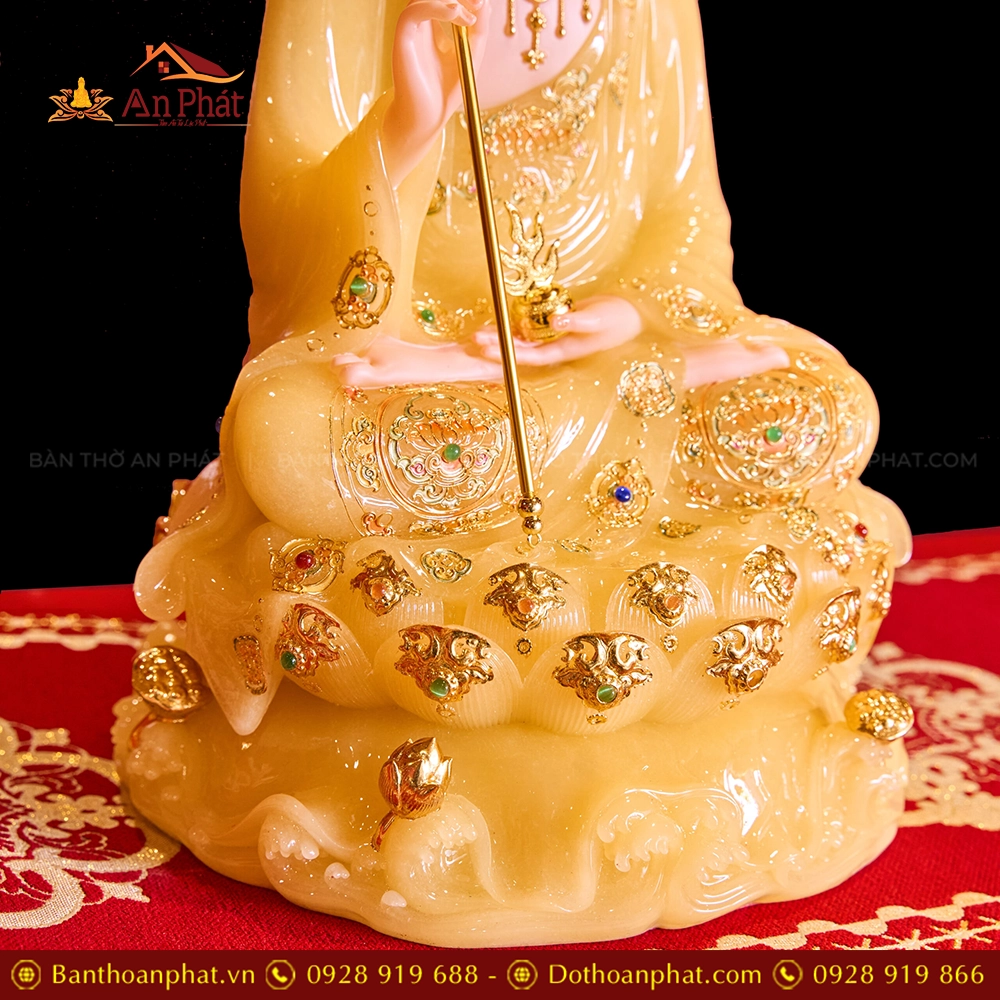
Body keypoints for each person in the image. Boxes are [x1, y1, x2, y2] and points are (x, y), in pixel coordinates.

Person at [127, 1, 910, 942]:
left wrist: (625, 322)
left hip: (614, 360)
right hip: (426, 373)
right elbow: (293, 237)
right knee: (290, 439)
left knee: (830, 403)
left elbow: (688, 227)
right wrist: (412, 118)